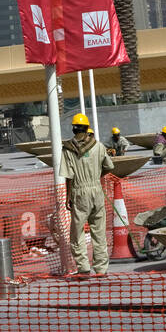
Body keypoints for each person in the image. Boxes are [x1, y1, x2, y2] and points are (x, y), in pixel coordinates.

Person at [60, 112, 114, 280]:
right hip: (96, 190)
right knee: (99, 231)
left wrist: (68, 196)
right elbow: (109, 166)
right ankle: (101, 269)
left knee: (77, 233)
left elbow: (68, 176)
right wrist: (96, 177)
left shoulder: (68, 149)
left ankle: (83, 268)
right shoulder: (98, 146)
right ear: (86, 127)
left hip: (79, 191)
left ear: (74, 129)